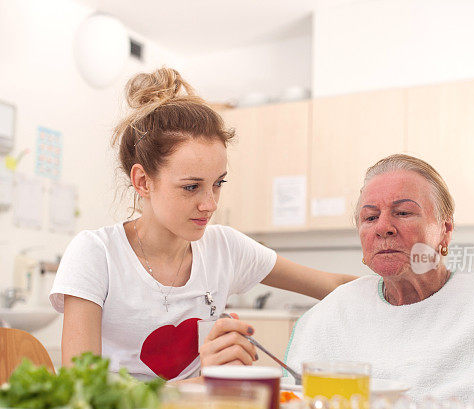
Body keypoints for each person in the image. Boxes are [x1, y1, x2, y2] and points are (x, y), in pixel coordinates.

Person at [50, 67, 356, 380]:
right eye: (191, 187)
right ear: (143, 181)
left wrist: (402, 286)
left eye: (218, 183)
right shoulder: (96, 253)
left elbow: (334, 287)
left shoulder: (226, 248)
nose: (210, 204)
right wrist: (204, 380)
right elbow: (82, 391)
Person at [285, 154, 474, 403]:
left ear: (445, 231)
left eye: (403, 212)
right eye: (370, 217)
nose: (383, 227)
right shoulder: (330, 315)